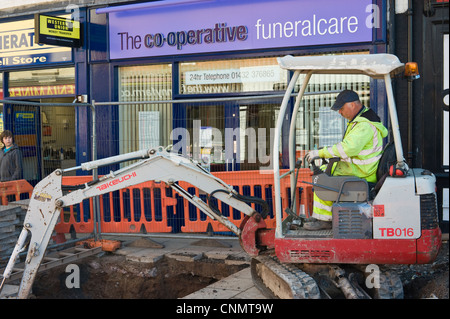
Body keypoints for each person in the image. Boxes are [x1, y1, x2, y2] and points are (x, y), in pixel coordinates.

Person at [303, 90, 388, 230]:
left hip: (361, 174)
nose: (340, 112)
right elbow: (348, 148)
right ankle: (321, 216)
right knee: (323, 172)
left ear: (353, 105)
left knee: (322, 180)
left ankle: (325, 220)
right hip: (359, 170)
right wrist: (327, 154)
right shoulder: (359, 121)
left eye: (341, 108)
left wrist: (321, 153)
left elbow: (348, 149)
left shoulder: (364, 125)